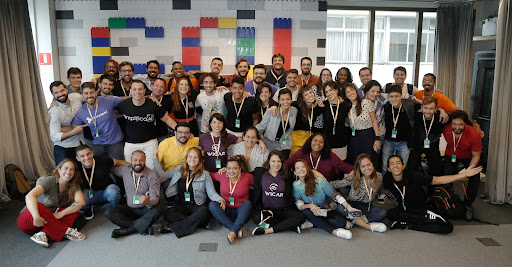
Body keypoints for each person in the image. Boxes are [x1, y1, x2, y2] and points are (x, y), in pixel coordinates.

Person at [384, 155, 481, 233]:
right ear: (388, 168)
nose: (395, 166)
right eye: (392, 164)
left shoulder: (414, 175)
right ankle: (415, 222)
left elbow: (439, 180)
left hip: (421, 210)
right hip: (404, 211)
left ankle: (407, 225)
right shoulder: (387, 179)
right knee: (390, 214)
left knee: (447, 227)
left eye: (398, 163)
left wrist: (464, 174)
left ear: (403, 166)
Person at [153, 148, 225, 238]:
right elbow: (162, 175)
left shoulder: (205, 174)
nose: (192, 159)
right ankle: (199, 223)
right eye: (190, 157)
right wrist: (155, 158)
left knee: (204, 212)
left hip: (198, 205)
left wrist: (220, 199)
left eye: (195, 157)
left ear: (200, 159)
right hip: (183, 205)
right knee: (168, 214)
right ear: (186, 158)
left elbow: (211, 193)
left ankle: (172, 228)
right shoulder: (179, 169)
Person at [17, 159, 86, 247]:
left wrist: (61, 213)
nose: (68, 172)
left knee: (74, 211)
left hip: (47, 221)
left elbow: (81, 202)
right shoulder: (50, 180)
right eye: (66, 168)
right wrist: (36, 216)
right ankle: (66, 231)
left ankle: (42, 234)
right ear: (59, 170)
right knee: (39, 206)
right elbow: (29, 196)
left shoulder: (73, 186)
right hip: (30, 219)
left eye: (72, 169)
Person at [117, 80, 177, 169]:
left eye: (140, 89)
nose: (137, 92)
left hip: (150, 143)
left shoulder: (153, 104)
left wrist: (179, 130)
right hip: (130, 143)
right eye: (134, 89)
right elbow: (115, 116)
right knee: (129, 169)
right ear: (130, 91)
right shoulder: (124, 105)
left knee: (152, 169)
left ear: (145, 91)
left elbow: (167, 119)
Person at [292, 159, 357, 239]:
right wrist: (310, 205)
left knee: (341, 223)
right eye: (297, 168)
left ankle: (314, 223)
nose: (301, 169)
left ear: (307, 168)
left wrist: (348, 206)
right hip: (312, 211)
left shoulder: (319, 180)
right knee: (307, 212)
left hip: (325, 211)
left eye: (303, 167)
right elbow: (300, 205)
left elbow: (335, 195)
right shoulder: (296, 185)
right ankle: (335, 232)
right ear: (295, 172)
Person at [105, 151, 163, 238]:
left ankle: (128, 230)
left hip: (145, 209)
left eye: (141, 160)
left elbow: (155, 198)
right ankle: (144, 225)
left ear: (145, 161)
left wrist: (148, 201)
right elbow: (110, 168)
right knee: (109, 212)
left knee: (158, 209)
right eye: (135, 160)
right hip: (130, 208)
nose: (138, 163)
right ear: (131, 161)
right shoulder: (125, 170)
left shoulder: (152, 175)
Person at [251, 151, 306, 235]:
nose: (276, 164)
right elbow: (243, 174)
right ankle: (289, 226)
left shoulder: (287, 175)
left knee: (301, 217)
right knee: (256, 218)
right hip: (267, 211)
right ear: (268, 161)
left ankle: (269, 230)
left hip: (284, 210)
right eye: (273, 161)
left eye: (279, 161)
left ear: (282, 162)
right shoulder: (259, 172)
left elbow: (301, 174)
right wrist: (225, 169)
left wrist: (316, 173)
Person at [330, 154, 388, 233]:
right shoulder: (354, 177)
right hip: (352, 206)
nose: (367, 168)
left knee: (382, 212)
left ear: (372, 164)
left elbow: (382, 190)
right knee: (339, 207)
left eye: (368, 165)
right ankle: (367, 226)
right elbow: (338, 184)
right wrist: (321, 182)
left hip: (367, 206)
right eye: (363, 166)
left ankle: (353, 221)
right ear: (359, 168)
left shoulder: (379, 176)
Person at [415, 73, 484, 137]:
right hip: (420, 130)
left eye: (429, 81)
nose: (426, 83)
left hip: (435, 131)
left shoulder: (441, 98)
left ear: (434, 83)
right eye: (424, 80)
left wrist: (473, 122)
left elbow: (457, 111)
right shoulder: (417, 94)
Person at [442, 110, 482, 211]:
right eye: (454, 124)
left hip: (469, 156)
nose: (457, 127)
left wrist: (469, 170)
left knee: (475, 177)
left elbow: (476, 155)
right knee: (447, 175)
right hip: (451, 154)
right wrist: (441, 110)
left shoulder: (474, 135)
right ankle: (449, 200)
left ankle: (468, 203)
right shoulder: (446, 128)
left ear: (465, 124)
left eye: (460, 125)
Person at [75, 144, 128, 220]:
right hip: (91, 194)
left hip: (106, 192)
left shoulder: (102, 160)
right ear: (78, 158)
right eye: (82, 156)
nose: (86, 158)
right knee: (79, 196)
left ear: (92, 153)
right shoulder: (76, 168)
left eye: (88, 154)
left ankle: (115, 209)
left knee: (113, 191)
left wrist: (133, 167)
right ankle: (88, 207)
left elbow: (119, 162)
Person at [73, 82, 125, 159]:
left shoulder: (108, 100)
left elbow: (125, 99)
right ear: (82, 95)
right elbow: (74, 127)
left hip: (115, 142)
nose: (89, 95)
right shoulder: (81, 112)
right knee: (97, 167)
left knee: (118, 168)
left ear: (96, 92)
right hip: (97, 144)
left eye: (92, 92)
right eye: (86, 93)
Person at [209, 156, 254, 244]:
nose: (231, 171)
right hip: (225, 209)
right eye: (229, 168)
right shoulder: (222, 175)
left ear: (240, 169)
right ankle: (235, 228)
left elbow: (260, 185)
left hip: (241, 212)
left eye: (234, 168)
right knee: (212, 205)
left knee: (248, 204)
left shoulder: (248, 177)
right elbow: (209, 174)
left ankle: (233, 232)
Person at [381, 85, 420, 174]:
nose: (394, 99)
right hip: (388, 141)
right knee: (385, 166)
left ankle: (400, 185)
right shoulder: (386, 106)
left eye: (396, 96)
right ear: (388, 97)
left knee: (403, 166)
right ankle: (384, 185)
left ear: (401, 96)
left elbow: (426, 106)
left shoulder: (409, 105)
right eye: (391, 96)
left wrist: (441, 110)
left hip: (404, 142)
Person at [286, 133, 353, 181]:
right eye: (315, 140)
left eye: (321, 142)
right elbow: (287, 164)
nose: (317, 143)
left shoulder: (330, 156)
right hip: (304, 186)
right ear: (310, 142)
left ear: (324, 145)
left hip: (325, 187)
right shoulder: (302, 152)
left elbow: (345, 166)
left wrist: (354, 171)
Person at [48, 81, 86, 164]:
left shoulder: (77, 97)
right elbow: (54, 136)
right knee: (65, 174)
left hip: (80, 143)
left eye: (62, 90)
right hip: (63, 147)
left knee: (82, 173)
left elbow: (89, 98)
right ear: (53, 94)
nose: (60, 94)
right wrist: (73, 132)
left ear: (66, 89)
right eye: (56, 92)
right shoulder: (54, 112)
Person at [407, 96, 446, 175]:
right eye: (425, 108)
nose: (428, 111)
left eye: (431, 108)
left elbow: (458, 117)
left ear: (435, 109)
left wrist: (442, 111)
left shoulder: (441, 116)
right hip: (417, 143)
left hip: (433, 144)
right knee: (412, 164)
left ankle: (433, 186)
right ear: (422, 107)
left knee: (436, 166)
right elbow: (408, 99)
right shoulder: (416, 115)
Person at [345, 83, 381, 165]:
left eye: (352, 90)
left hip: (367, 136)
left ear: (356, 91)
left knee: (368, 159)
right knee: (355, 161)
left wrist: (377, 138)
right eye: (348, 92)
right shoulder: (347, 107)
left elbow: (374, 121)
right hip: (354, 137)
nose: (351, 93)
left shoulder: (366, 102)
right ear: (346, 95)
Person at [256, 88, 297, 159]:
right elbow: (260, 128)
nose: (285, 102)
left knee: (283, 165)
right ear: (278, 101)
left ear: (291, 100)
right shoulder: (271, 112)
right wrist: (259, 140)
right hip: (270, 145)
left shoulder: (294, 111)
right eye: (282, 99)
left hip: (285, 145)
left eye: (288, 99)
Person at [290, 85, 324, 155]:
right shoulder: (296, 106)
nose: (310, 95)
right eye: (306, 94)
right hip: (297, 140)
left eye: (310, 92)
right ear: (303, 98)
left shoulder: (318, 108)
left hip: (310, 140)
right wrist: (275, 107)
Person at [322, 81, 350, 160]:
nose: (329, 93)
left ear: (337, 90)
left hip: (341, 142)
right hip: (327, 143)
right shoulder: (323, 105)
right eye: (326, 92)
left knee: (341, 167)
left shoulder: (345, 105)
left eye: (331, 90)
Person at [150, 78, 174, 142]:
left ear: (164, 90)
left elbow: (169, 116)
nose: (158, 88)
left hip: (162, 133)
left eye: (161, 87)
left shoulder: (168, 100)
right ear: (152, 87)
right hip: (147, 134)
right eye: (156, 86)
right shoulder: (145, 97)